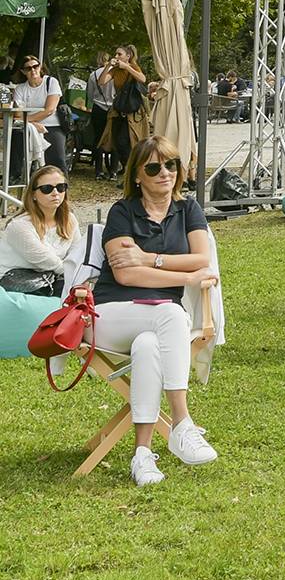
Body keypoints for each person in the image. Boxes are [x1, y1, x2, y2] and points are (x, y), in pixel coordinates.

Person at [93, 137, 219, 484]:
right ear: (137, 175)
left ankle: (142, 455)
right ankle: (181, 422)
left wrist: (150, 258)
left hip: (158, 324)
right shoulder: (122, 211)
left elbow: (201, 258)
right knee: (172, 314)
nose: (165, 173)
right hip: (110, 314)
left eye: (171, 164)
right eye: (153, 167)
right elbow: (125, 273)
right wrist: (185, 275)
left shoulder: (188, 208)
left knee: (149, 346)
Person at [0, 163, 77, 293]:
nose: (55, 193)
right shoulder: (19, 226)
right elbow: (48, 261)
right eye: (47, 189)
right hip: (16, 284)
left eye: (61, 187)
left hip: (51, 278)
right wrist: (78, 275)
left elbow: (76, 254)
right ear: (33, 194)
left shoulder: (70, 219)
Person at [13, 53, 64, 172]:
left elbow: (50, 110)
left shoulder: (51, 82)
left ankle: (62, 185)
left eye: (35, 66)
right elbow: (17, 114)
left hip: (52, 125)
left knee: (57, 160)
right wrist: (33, 124)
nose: (33, 70)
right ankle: (15, 176)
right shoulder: (20, 89)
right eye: (28, 68)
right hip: (29, 126)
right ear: (23, 71)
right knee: (16, 143)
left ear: (40, 67)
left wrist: (27, 120)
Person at [104, 45, 147, 181]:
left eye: (119, 54)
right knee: (117, 143)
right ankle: (130, 172)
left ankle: (132, 173)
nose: (116, 57)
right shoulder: (115, 70)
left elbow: (143, 79)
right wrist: (107, 67)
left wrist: (127, 67)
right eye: (115, 54)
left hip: (133, 112)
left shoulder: (133, 67)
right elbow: (102, 81)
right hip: (119, 110)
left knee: (129, 142)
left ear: (128, 56)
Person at [86, 51, 116, 178]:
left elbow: (90, 95)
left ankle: (98, 170)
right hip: (114, 108)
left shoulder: (93, 75)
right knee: (114, 137)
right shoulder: (116, 73)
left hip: (98, 107)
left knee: (98, 138)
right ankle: (113, 170)